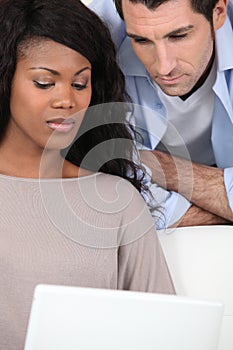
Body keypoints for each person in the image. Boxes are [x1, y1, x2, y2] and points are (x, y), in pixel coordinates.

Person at [0, 0, 175, 348]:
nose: (67, 100)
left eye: (80, 84)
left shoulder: (117, 200)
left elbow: (166, 331)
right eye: (44, 83)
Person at [89, 0, 233, 228]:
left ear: (218, 12)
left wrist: (165, 168)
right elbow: (100, 190)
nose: (164, 67)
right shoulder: (94, 35)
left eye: (179, 36)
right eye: (141, 40)